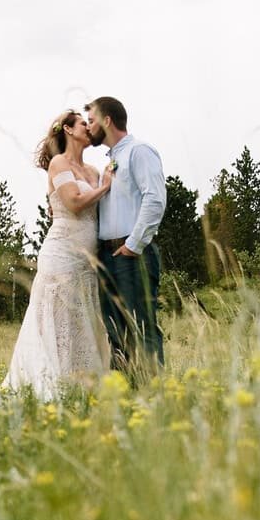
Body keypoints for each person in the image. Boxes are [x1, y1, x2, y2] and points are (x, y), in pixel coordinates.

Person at [4, 110, 111, 398]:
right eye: (82, 124)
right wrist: (104, 188)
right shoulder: (58, 163)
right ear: (68, 129)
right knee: (57, 317)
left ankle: (82, 384)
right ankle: (51, 383)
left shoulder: (93, 171)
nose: (89, 128)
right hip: (61, 252)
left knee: (82, 319)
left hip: (88, 258)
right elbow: (74, 202)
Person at [85, 97, 166, 374]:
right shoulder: (110, 162)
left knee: (141, 325)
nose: (88, 126)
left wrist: (133, 244)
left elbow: (154, 199)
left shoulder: (139, 151)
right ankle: (125, 395)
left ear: (107, 120)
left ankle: (154, 390)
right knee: (115, 330)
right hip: (108, 256)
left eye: (92, 120)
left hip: (132, 255)